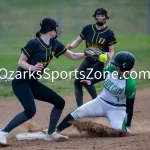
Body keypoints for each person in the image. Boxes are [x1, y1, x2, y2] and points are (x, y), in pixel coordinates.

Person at [0, 17, 86, 145]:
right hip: (21, 81)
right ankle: (3, 132)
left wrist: (86, 54)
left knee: (59, 102)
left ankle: (50, 133)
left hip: (33, 83)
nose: (56, 31)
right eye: (55, 28)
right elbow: (21, 62)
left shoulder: (55, 44)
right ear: (49, 29)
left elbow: (72, 55)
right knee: (30, 110)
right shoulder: (34, 43)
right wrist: (32, 68)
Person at [56, 51, 136, 135]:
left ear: (125, 67)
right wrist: (91, 81)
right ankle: (55, 131)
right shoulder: (113, 70)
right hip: (100, 102)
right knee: (78, 112)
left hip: (117, 110)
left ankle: (121, 129)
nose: (115, 66)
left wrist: (128, 126)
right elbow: (102, 75)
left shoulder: (130, 84)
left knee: (120, 132)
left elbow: (130, 107)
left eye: (118, 65)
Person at [66, 8, 117, 107]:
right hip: (88, 59)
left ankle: (98, 103)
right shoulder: (88, 29)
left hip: (100, 62)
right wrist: (71, 46)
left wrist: (108, 57)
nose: (100, 17)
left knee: (85, 79)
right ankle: (80, 108)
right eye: (98, 15)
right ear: (95, 17)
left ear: (106, 18)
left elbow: (111, 51)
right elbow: (77, 41)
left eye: (102, 16)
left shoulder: (109, 33)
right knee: (77, 81)